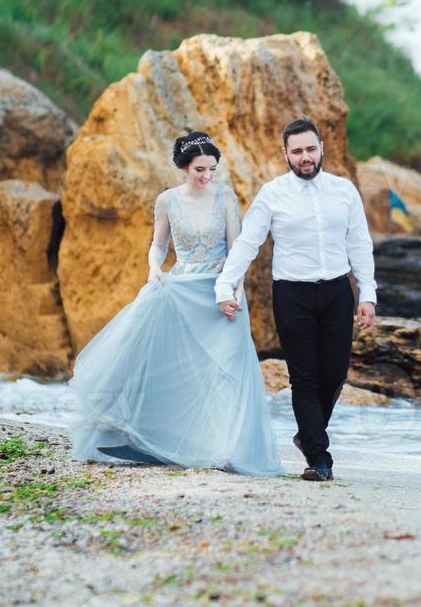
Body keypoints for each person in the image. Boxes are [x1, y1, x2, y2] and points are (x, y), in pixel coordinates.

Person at [66, 131, 282, 476]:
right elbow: (158, 245)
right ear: (184, 167)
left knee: (226, 369)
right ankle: (158, 438)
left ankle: (227, 448)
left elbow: (236, 250)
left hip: (218, 291)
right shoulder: (166, 201)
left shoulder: (225, 197)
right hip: (180, 288)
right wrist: (154, 268)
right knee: (177, 368)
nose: (207, 176)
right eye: (200, 169)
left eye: (212, 169)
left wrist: (233, 291)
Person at [215, 117, 377, 482]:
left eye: (310, 149)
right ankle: (319, 458)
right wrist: (225, 287)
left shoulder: (344, 191)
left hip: (337, 291)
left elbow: (359, 245)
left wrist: (368, 294)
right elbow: (248, 243)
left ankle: (308, 434)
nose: (305, 157)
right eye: (297, 151)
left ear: (322, 148)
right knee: (304, 378)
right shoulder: (272, 194)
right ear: (285, 154)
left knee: (334, 374)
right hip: (292, 294)